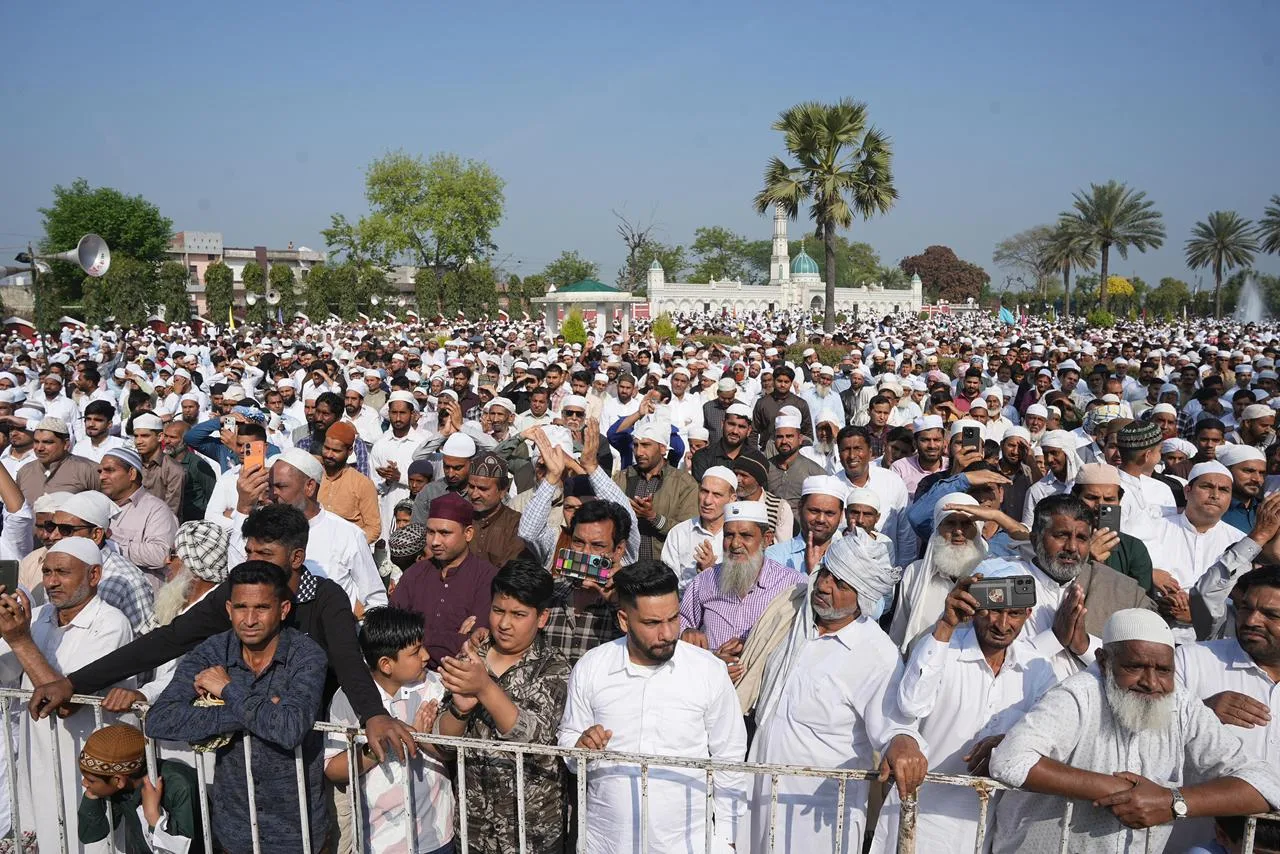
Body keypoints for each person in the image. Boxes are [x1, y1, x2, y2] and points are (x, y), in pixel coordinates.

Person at [28, 504, 421, 770]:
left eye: (265, 555)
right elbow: (169, 640)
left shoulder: (326, 597)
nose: (254, 563)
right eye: (249, 552)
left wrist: (373, 715)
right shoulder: (237, 588)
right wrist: (74, 683)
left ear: (296, 558)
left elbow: (349, 663)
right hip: (245, 741)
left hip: (309, 738)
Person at [989, 608, 1280, 854]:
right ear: (1104, 661)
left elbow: (1265, 782)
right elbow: (1011, 760)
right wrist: (1122, 792)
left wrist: (1172, 802)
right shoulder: (1078, 694)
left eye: (1163, 670)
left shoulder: (1182, 704)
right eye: (1135, 667)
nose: (1151, 682)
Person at [747, 531, 927, 853]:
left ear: (863, 597)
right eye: (826, 573)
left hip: (820, 816)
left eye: (841, 584)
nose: (824, 585)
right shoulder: (795, 619)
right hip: (761, 794)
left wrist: (903, 742)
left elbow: (894, 725)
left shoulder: (876, 653)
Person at [557, 560, 748, 854]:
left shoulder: (708, 671)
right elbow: (569, 739)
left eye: (673, 618)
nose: (668, 633)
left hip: (688, 845)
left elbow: (729, 759)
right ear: (624, 620)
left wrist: (726, 839)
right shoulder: (592, 667)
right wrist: (581, 746)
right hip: (607, 843)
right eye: (652, 623)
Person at [145, 562, 329, 854]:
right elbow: (160, 719)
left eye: (262, 608)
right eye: (242, 607)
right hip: (233, 829)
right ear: (229, 609)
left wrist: (227, 690)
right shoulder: (214, 650)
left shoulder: (307, 657)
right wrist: (256, 712)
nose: (250, 619)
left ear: (283, 610)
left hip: (298, 831)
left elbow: (289, 729)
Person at [871, 570, 1057, 854]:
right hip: (919, 821)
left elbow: (1049, 738)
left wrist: (1008, 743)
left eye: (1014, 614)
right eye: (993, 611)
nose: (1002, 624)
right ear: (974, 608)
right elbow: (911, 704)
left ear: (1028, 614)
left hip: (983, 830)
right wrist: (946, 626)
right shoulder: (942, 648)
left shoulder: (1038, 669)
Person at [0, 537, 135, 854]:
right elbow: (5, 674)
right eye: (47, 572)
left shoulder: (111, 624)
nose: (51, 582)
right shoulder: (38, 616)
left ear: (94, 575)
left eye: (62, 572)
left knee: (90, 843)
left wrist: (20, 640)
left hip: (90, 764)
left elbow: (64, 704)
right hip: (38, 760)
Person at [436, 559, 572, 854]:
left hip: (531, 832)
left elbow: (532, 737)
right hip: (474, 828)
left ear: (542, 617)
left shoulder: (554, 667)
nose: (504, 623)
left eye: (518, 614)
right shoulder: (471, 657)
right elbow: (443, 744)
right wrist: (460, 710)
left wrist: (484, 688)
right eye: (498, 611)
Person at [976, 494, 1154, 682]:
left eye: (1082, 538)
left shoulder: (1111, 585)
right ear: (1035, 539)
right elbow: (988, 660)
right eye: (1061, 535)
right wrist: (1054, 638)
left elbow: (1133, 666)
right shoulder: (999, 578)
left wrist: (1084, 645)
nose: (1072, 547)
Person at [324, 606, 455, 854]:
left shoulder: (435, 686)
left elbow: (451, 751)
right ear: (386, 664)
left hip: (436, 835)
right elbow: (333, 769)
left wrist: (422, 739)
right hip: (378, 840)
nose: (426, 656)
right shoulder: (349, 698)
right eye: (415, 651)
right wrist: (383, 744)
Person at [1174, 565, 1280, 848]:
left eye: (1271, 615)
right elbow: (1142, 735)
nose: (1252, 620)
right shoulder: (1191, 661)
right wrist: (1199, 713)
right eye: (1245, 608)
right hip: (1190, 841)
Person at [231, 448, 387, 612]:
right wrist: (243, 507)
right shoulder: (261, 528)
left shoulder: (347, 534)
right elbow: (236, 573)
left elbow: (375, 599)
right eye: (270, 486)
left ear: (310, 487)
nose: (272, 494)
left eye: (280, 486)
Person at [678, 500, 805, 655]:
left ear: (766, 539)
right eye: (729, 535)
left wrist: (753, 646)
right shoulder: (705, 580)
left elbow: (803, 639)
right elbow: (681, 622)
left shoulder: (792, 585)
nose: (735, 544)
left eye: (746, 536)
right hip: (709, 667)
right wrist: (687, 632)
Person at [392, 492, 500, 669]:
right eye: (430, 532)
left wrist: (416, 636)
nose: (435, 541)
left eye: (444, 533)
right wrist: (455, 638)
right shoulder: (415, 574)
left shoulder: (487, 577)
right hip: (412, 674)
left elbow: (475, 646)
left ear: (468, 533)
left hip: (462, 676)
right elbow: (392, 633)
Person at [76, 722, 203, 854]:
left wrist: (153, 817)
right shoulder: (119, 787)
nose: (84, 783)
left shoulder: (180, 786)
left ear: (118, 780)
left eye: (91, 780)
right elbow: (90, 835)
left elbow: (185, 849)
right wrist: (92, 794)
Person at [890, 493, 991, 652]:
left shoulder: (992, 573)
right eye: (950, 523)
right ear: (938, 528)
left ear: (977, 529)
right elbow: (898, 634)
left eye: (966, 523)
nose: (958, 531)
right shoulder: (915, 573)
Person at [611, 415, 697, 562]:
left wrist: (653, 517)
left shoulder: (684, 484)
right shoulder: (621, 478)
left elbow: (689, 532)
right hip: (625, 566)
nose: (639, 452)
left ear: (662, 449)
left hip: (663, 567)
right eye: (636, 445)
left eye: (646, 445)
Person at [1070, 462, 1155, 593]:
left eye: (1109, 499)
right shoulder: (1063, 542)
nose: (1100, 505)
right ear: (1075, 498)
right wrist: (1086, 560)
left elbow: (1141, 599)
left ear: (1119, 501)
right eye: (1092, 498)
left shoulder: (1133, 548)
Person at [99, 447, 180, 578]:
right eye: (100, 471)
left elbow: (161, 554)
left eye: (110, 470)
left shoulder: (156, 510)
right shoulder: (97, 505)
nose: (102, 476)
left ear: (132, 474)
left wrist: (111, 543)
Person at [661, 465, 737, 591]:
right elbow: (668, 584)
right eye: (704, 491)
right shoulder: (679, 533)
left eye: (717, 495)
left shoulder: (739, 537)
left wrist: (712, 571)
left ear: (732, 499)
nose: (707, 501)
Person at [765, 475, 846, 575]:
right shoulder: (775, 557)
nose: (821, 519)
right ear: (800, 508)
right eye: (814, 511)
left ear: (841, 515)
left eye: (829, 513)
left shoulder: (850, 557)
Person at [317, 420, 382, 544]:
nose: (329, 455)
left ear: (350, 451)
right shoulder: (312, 477)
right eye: (326, 448)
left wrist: (349, 545)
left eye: (336, 451)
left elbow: (374, 528)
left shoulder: (362, 484)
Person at [370, 391, 422, 541]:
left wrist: (400, 477)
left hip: (416, 512)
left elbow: (427, 483)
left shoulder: (421, 444)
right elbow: (374, 486)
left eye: (402, 413)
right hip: (386, 512)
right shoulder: (380, 445)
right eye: (394, 413)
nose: (398, 418)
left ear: (412, 414)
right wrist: (387, 481)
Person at [16, 416, 100, 506]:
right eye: (36, 442)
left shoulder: (88, 470)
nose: (39, 448)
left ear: (66, 444)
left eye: (47, 442)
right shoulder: (24, 472)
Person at [466, 451, 525, 569]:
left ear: (502, 491)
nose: (474, 495)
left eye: (483, 489)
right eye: (471, 487)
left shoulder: (516, 524)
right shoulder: (460, 517)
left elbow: (509, 571)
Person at [766, 410, 827, 515]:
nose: (784, 441)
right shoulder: (766, 467)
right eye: (780, 437)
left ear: (800, 439)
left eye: (789, 436)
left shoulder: (815, 473)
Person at [132, 412, 185, 517]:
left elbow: (171, 511)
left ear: (160, 437)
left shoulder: (173, 469)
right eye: (136, 436)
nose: (138, 441)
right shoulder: (132, 464)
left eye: (145, 436)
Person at [162, 420, 216, 522]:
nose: (167, 441)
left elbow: (213, 496)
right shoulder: (163, 462)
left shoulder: (198, 465)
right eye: (166, 436)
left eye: (173, 437)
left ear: (185, 440)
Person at [890, 416, 947, 500]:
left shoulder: (951, 466)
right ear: (915, 443)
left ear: (944, 443)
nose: (932, 446)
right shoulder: (900, 468)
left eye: (937, 440)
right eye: (925, 440)